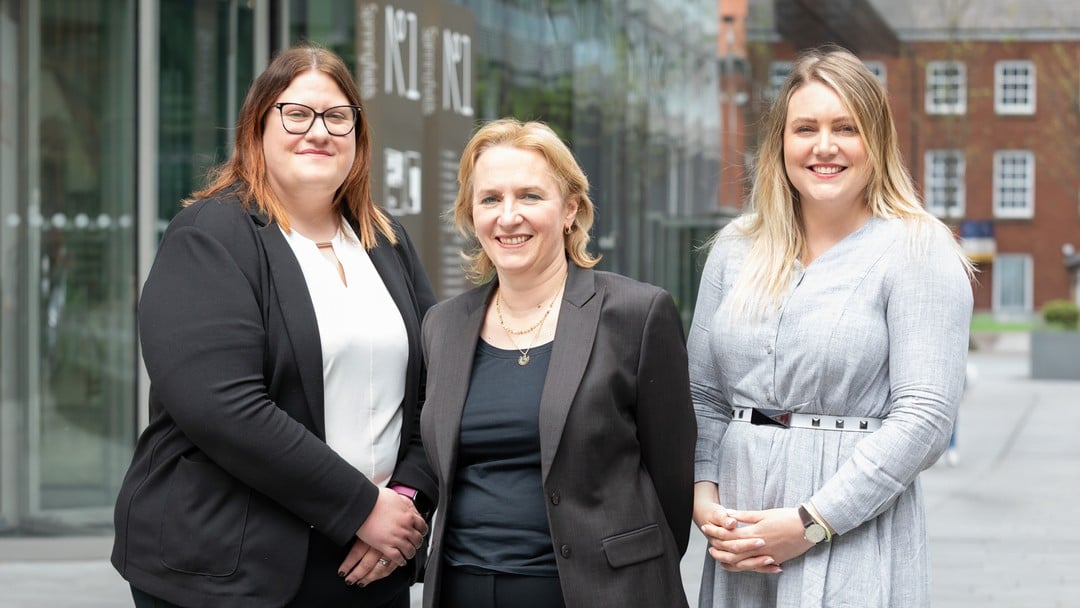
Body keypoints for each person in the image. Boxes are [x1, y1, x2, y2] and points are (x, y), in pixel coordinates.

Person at [111, 43, 436, 608]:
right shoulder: (210, 235)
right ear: (257, 125)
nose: (319, 131)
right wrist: (361, 506)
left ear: (358, 135)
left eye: (337, 116)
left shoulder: (387, 242)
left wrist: (405, 503)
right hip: (230, 569)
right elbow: (224, 407)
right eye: (296, 113)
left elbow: (439, 387)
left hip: (369, 563)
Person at [689, 46, 974, 607]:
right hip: (741, 533)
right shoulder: (735, 249)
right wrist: (704, 496)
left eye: (846, 128)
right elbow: (703, 394)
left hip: (851, 526)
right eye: (806, 128)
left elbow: (924, 418)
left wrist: (811, 522)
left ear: (877, 141)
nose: (824, 146)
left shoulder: (918, 249)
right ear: (781, 142)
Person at [419, 118, 695, 608]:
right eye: (490, 199)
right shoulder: (443, 326)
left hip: (599, 592)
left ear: (570, 209)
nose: (508, 217)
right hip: (465, 588)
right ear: (471, 213)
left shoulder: (636, 314)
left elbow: (672, 481)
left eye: (529, 196)